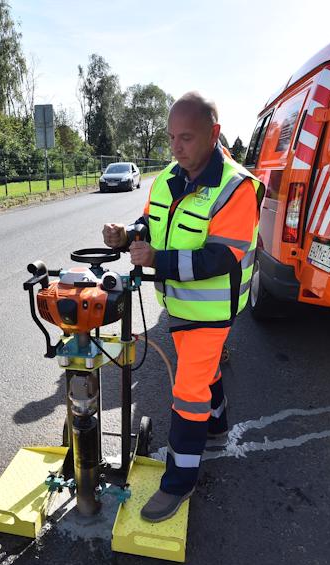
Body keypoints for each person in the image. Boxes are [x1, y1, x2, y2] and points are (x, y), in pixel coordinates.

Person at [103, 91, 264, 522]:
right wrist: (127, 234)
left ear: (214, 133)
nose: (176, 147)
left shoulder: (237, 187)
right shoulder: (168, 179)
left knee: (189, 393)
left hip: (211, 311)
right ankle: (218, 427)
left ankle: (179, 482)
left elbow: (220, 257)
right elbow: (151, 223)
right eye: (171, 137)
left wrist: (158, 260)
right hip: (179, 303)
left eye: (186, 137)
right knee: (205, 371)